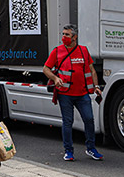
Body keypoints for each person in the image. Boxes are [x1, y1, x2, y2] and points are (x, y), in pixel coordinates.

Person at [43, 24, 103, 161]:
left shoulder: (83, 51)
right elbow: (46, 69)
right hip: (65, 93)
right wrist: (55, 78)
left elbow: (91, 70)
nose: (64, 37)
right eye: (63, 34)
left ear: (75, 37)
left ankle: (91, 148)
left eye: (67, 35)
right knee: (67, 122)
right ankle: (68, 151)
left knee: (89, 119)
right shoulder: (57, 51)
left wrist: (96, 86)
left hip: (82, 94)